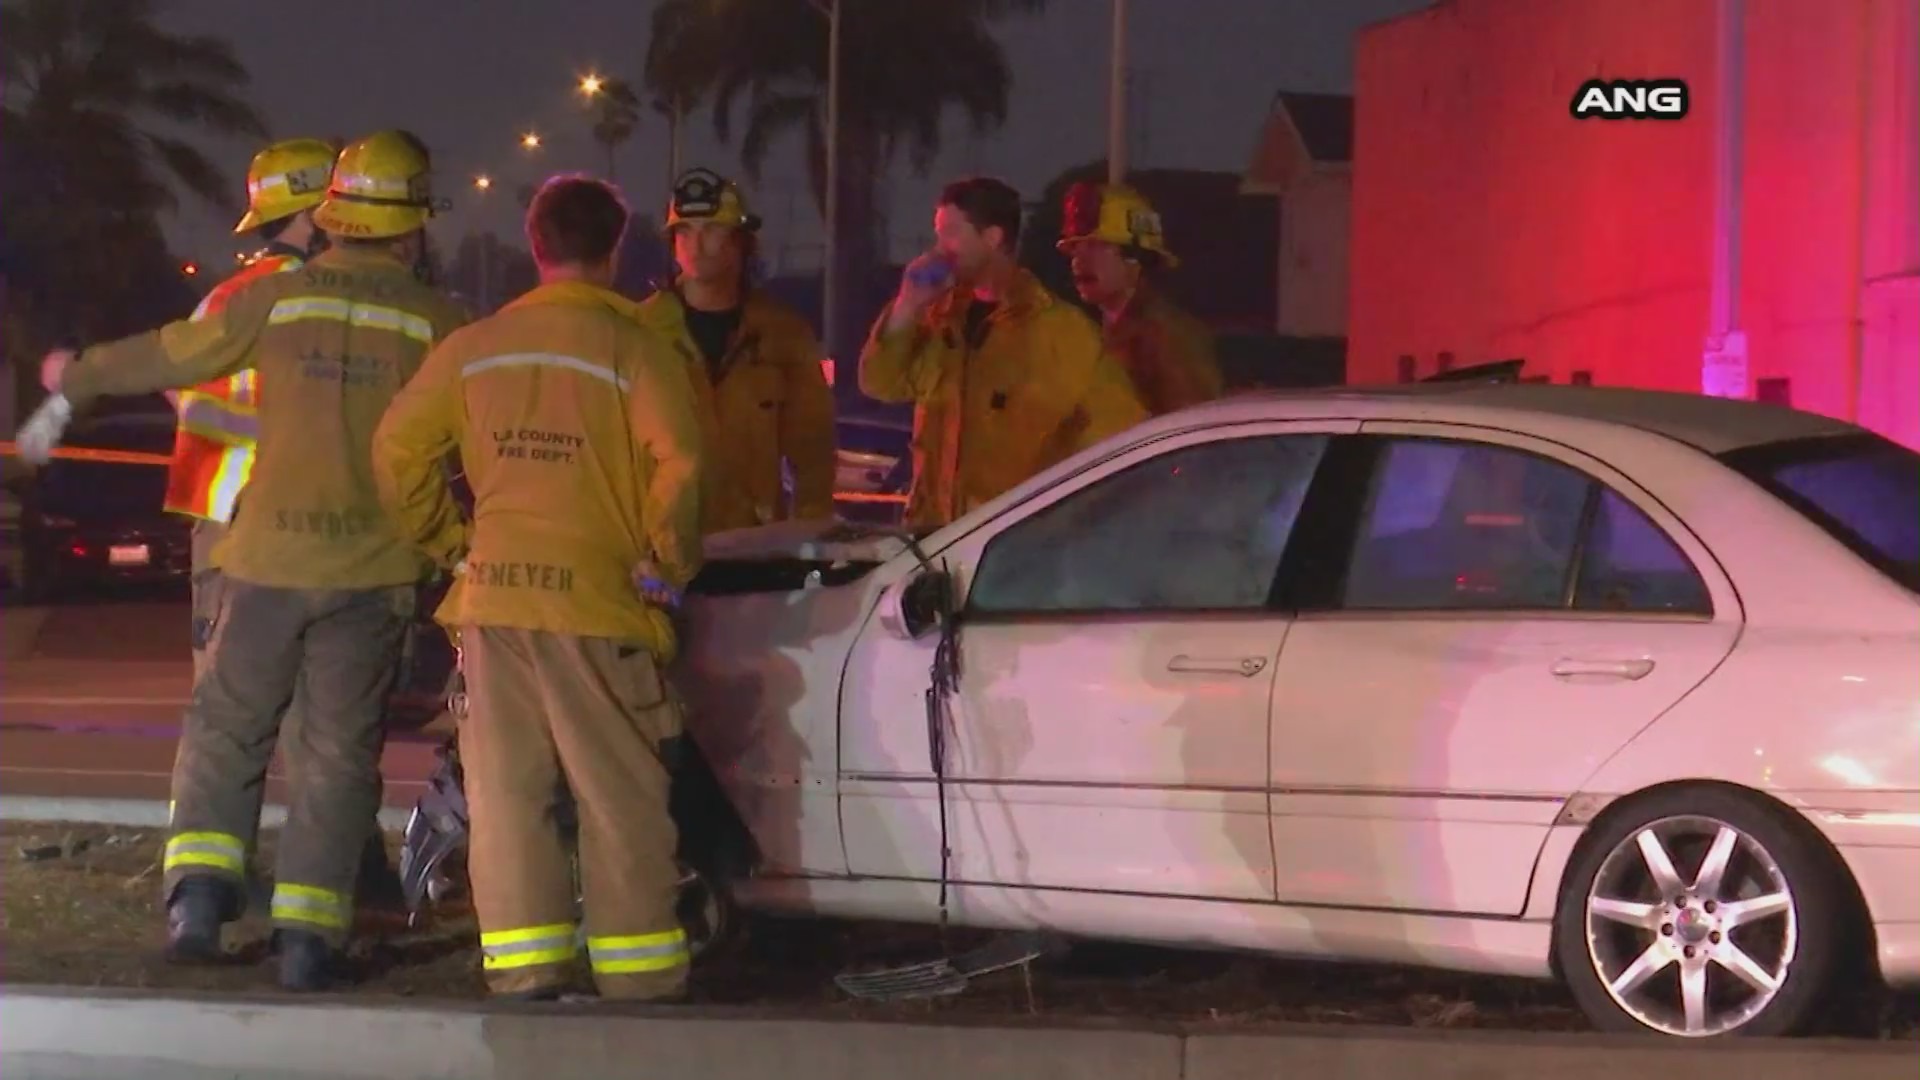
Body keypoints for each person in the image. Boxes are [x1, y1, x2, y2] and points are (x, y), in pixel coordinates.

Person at [17, 129, 469, 991]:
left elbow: (171, 353)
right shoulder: (437, 321)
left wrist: (74, 381)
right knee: (338, 756)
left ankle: (196, 907)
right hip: (371, 577)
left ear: (333, 215)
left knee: (227, 731)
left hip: (261, 562)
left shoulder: (276, 299)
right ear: (411, 228)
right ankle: (306, 944)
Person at [371, 175, 705, 1003]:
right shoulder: (636, 349)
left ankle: (524, 965)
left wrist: (452, 545)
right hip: (597, 603)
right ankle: (641, 975)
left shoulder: (477, 346)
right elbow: (684, 464)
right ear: (616, 248)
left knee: (508, 795)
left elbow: (396, 452)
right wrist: (666, 565)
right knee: (618, 791)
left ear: (535, 245)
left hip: (494, 604)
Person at [159, 137, 404, 911]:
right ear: (318, 210)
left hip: (231, 525)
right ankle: (328, 883)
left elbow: (182, 387)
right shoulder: (305, 298)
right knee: (320, 721)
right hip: (275, 528)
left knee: (234, 721)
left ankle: (207, 892)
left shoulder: (237, 297)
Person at [859, 176, 1148, 529]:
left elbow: (1116, 437)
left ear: (992, 238)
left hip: (1011, 548)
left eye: (951, 235)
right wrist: (907, 304)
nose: (939, 251)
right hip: (932, 540)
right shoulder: (939, 315)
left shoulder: (1060, 331)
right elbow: (879, 384)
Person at [636, 167, 835, 534]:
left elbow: (814, 449)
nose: (695, 245)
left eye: (711, 230)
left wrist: (809, 537)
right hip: (661, 550)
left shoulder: (783, 334)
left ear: (741, 242)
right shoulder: (640, 332)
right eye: (684, 232)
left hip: (752, 550)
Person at [1056, 181, 1223, 416]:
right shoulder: (1100, 332)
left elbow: (1189, 433)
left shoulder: (1167, 337)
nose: (1078, 261)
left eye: (1096, 246)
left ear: (1135, 260)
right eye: (1074, 248)